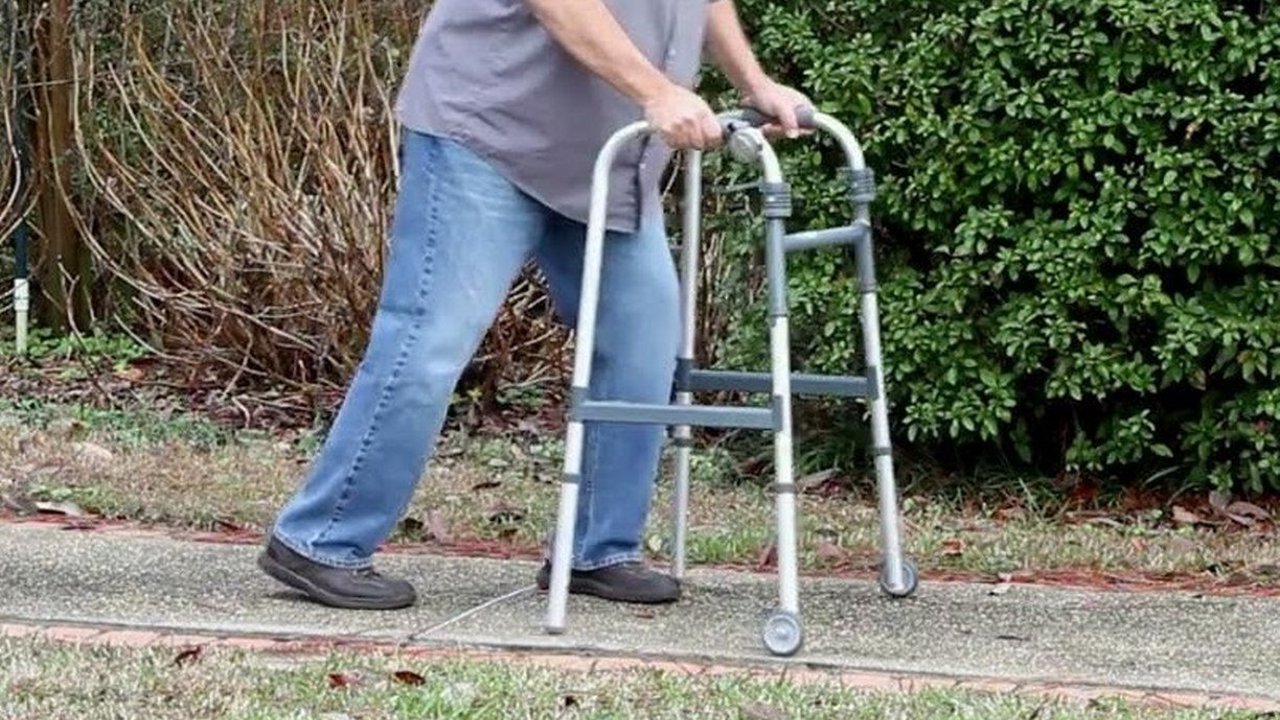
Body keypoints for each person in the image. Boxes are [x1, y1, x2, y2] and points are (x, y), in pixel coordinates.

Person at [257, 0, 811, 610]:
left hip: (605, 155)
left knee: (642, 342)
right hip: (489, 131)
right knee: (429, 340)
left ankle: (598, 550)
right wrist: (657, 91)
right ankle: (322, 540)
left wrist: (753, 83)